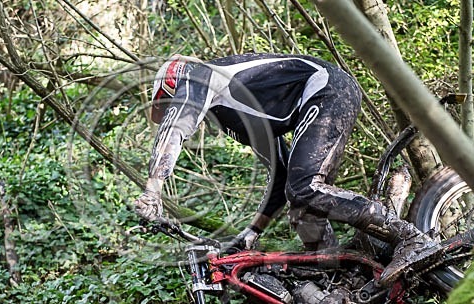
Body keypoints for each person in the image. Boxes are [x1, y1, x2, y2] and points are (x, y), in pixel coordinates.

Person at [134, 53, 442, 286]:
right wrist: (251, 233)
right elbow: (280, 174)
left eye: (167, 106)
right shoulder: (235, 115)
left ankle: (412, 238)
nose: (170, 113)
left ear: (172, 87)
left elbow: (174, 129)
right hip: (321, 97)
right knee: (301, 204)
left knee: (307, 187)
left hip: (327, 89)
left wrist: (152, 190)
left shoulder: (197, 77)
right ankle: (339, 284)